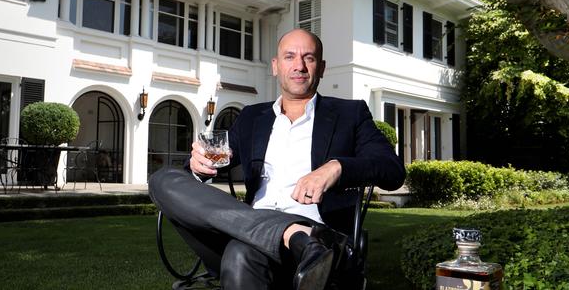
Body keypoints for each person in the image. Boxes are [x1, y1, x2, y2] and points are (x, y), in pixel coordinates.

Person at [149, 29, 405, 290]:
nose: (299, 66)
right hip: (247, 230)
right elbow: (212, 162)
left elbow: (392, 170)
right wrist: (197, 165)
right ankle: (293, 234)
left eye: (309, 58)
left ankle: (298, 237)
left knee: (240, 253)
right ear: (275, 66)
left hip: (318, 246)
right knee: (162, 179)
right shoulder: (251, 117)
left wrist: (336, 167)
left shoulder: (349, 114)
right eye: (290, 56)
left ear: (322, 67)